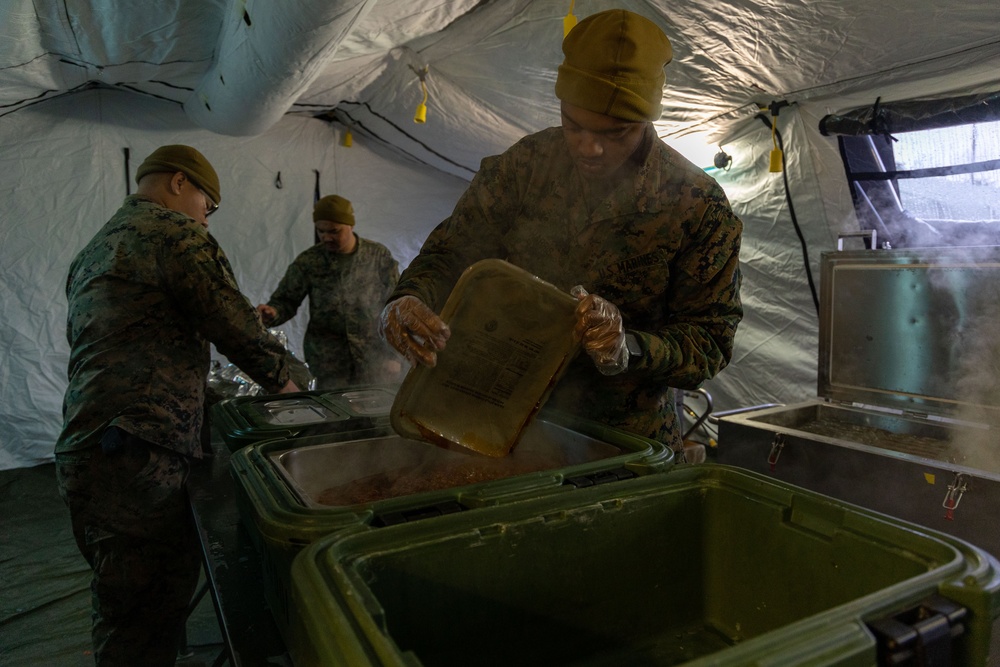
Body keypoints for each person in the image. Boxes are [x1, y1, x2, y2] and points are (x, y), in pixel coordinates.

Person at [379, 9, 743, 451]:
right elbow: (450, 253)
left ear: (647, 121)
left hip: (621, 442)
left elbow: (709, 339)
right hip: (496, 416)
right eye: (574, 125)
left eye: (616, 133)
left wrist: (628, 346)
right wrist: (409, 297)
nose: (588, 148)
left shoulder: (696, 205)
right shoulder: (523, 167)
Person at [55, 144, 300, 666]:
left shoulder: (95, 250)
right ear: (178, 183)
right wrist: (289, 390)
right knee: (145, 618)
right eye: (207, 206)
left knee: (123, 607)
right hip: (140, 454)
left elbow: (115, 348)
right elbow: (234, 325)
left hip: (88, 448)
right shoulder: (176, 236)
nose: (205, 221)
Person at [257, 194, 403, 389]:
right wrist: (272, 313)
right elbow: (285, 300)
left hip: (374, 358)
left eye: (334, 231)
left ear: (350, 225)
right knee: (334, 415)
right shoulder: (309, 261)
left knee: (375, 414)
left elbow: (396, 305)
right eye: (321, 231)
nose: (326, 237)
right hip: (328, 364)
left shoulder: (377, 257)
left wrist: (394, 356)